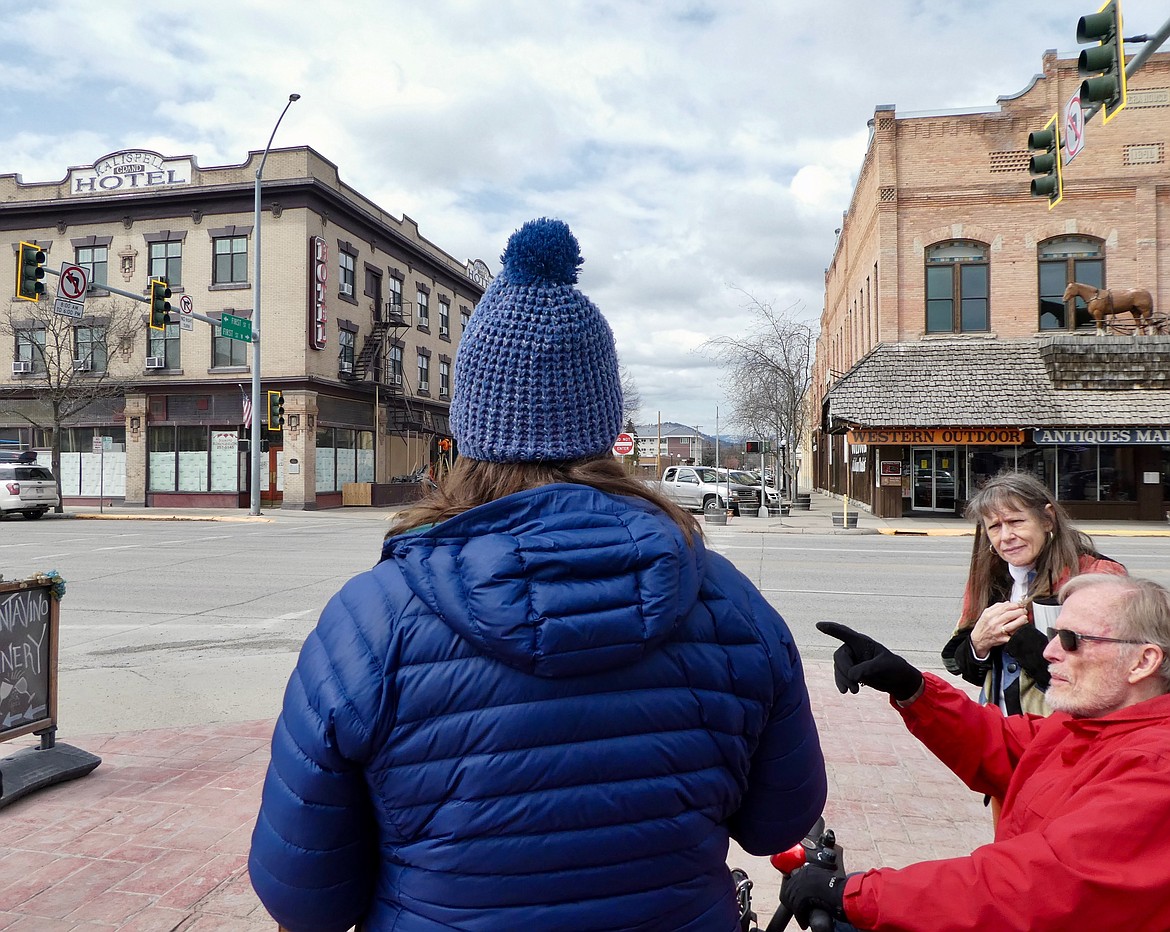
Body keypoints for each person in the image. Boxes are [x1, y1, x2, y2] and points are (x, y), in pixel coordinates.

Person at [249, 218, 827, 932]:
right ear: (601, 419)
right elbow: (780, 823)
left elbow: (304, 895)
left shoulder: (371, 623)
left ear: (469, 430)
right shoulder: (731, 605)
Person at [780, 573, 1170, 931]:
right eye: (1054, 635)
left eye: (1071, 640)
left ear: (1143, 661)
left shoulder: (1154, 769)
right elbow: (1004, 745)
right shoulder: (1093, 725)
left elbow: (1031, 886)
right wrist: (910, 686)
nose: (1049, 651)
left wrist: (857, 895)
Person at [941, 471, 1125, 716]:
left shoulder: (1096, 575)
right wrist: (979, 643)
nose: (1006, 536)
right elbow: (961, 666)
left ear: (1047, 519)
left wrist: (1020, 636)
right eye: (995, 527)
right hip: (1000, 731)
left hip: (1062, 735)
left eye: (1016, 521)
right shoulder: (991, 578)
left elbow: (1104, 680)